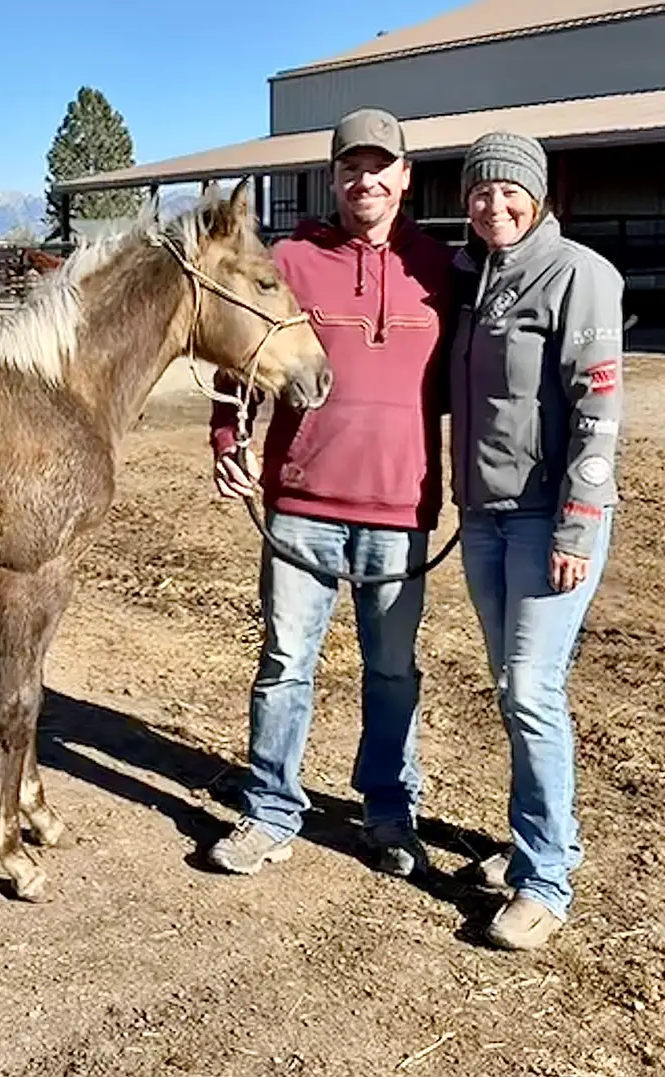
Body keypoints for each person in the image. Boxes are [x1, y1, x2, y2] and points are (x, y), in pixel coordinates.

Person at [205, 107, 455, 878]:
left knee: (392, 669)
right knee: (285, 663)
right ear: (335, 176)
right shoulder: (291, 261)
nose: (365, 180)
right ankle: (271, 809)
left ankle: (387, 809)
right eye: (351, 167)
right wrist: (227, 437)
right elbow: (236, 358)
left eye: (380, 166)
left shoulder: (441, 269)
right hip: (302, 503)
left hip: (399, 507)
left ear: (405, 177)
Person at [448, 131, 624, 950]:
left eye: (509, 190)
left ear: (540, 193)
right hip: (485, 516)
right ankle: (542, 841)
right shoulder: (478, 276)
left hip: (549, 516)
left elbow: (597, 410)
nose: (493, 204)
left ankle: (545, 880)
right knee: (516, 686)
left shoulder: (579, 275)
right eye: (481, 191)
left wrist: (579, 523)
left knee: (530, 687)